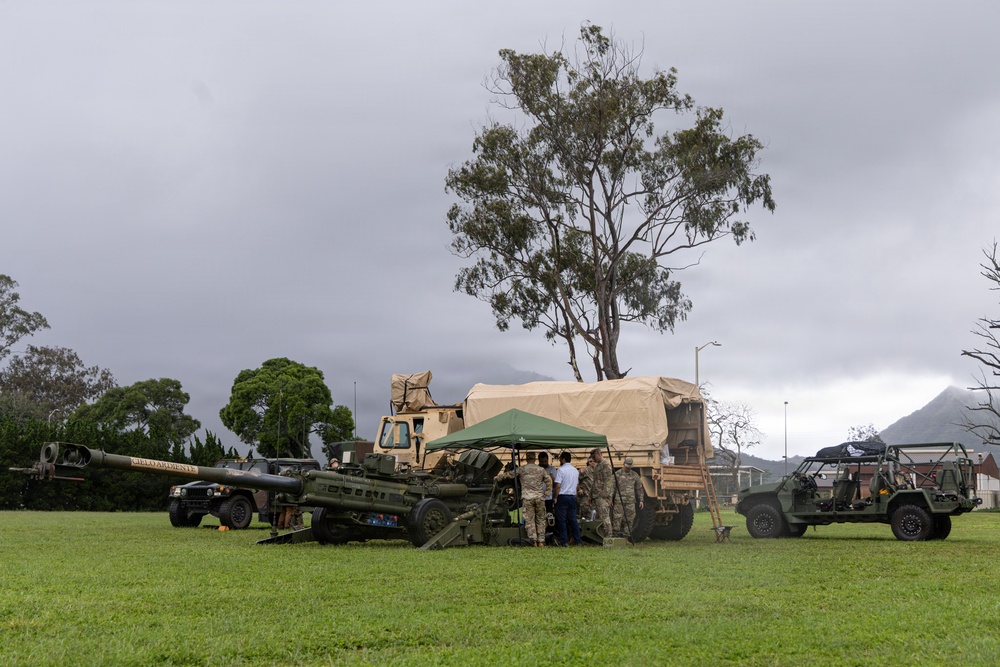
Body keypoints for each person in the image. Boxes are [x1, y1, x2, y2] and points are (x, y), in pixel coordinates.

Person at [495, 452, 552, 547]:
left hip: (527, 498)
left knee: (529, 520)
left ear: (526, 459)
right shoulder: (541, 470)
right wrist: (546, 493)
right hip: (539, 498)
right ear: (535, 459)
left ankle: (533, 541)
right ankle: (541, 541)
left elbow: (509, 474)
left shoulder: (522, 469)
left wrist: (498, 477)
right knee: (541, 519)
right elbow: (549, 480)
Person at [552, 451, 582, 546]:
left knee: (562, 520)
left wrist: (555, 497)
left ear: (563, 459)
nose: (560, 460)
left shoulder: (561, 470)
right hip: (572, 496)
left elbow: (558, 485)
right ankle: (578, 540)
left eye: (560, 458)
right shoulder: (575, 470)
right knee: (573, 519)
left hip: (562, 496)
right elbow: (576, 485)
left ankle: (564, 541)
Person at [613, 457, 645, 539]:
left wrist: (641, 500)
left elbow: (639, 488)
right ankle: (615, 536)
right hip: (619, 501)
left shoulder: (635, 475)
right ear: (623, 464)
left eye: (629, 467)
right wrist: (609, 499)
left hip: (631, 501)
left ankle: (626, 537)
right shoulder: (617, 474)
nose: (628, 469)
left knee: (630, 519)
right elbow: (611, 488)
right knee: (617, 518)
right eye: (627, 467)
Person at [590, 447, 614, 537]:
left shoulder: (606, 465)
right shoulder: (597, 466)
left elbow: (608, 482)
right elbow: (594, 481)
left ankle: (608, 538)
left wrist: (606, 497)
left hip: (602, 497)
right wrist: (590, 496)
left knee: (605, 518)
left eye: (594, 456)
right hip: (596, 496)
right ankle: (599, 537)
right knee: (595, 518)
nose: (593, 459)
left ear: (598, 454)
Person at [538, 452, 557, 516]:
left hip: (548, 497)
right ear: (539, 461)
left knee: (549, 515)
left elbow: (556, 484)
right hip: (538, 497)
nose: (543, 463)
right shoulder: (536, 470)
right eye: (542, 462)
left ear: (548, 460)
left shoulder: (552, 469)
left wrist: (551, 478)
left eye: (545, 461)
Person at [577, 456, 596, 521]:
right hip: (586, 497)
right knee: (585, 517)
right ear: (589, 462)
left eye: (594, 461)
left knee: (594, 517)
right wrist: (579, 489)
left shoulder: (599, 471)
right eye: (591, 461)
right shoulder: (585, 471)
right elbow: (576, 479)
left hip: (595, 498)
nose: (593, 463)